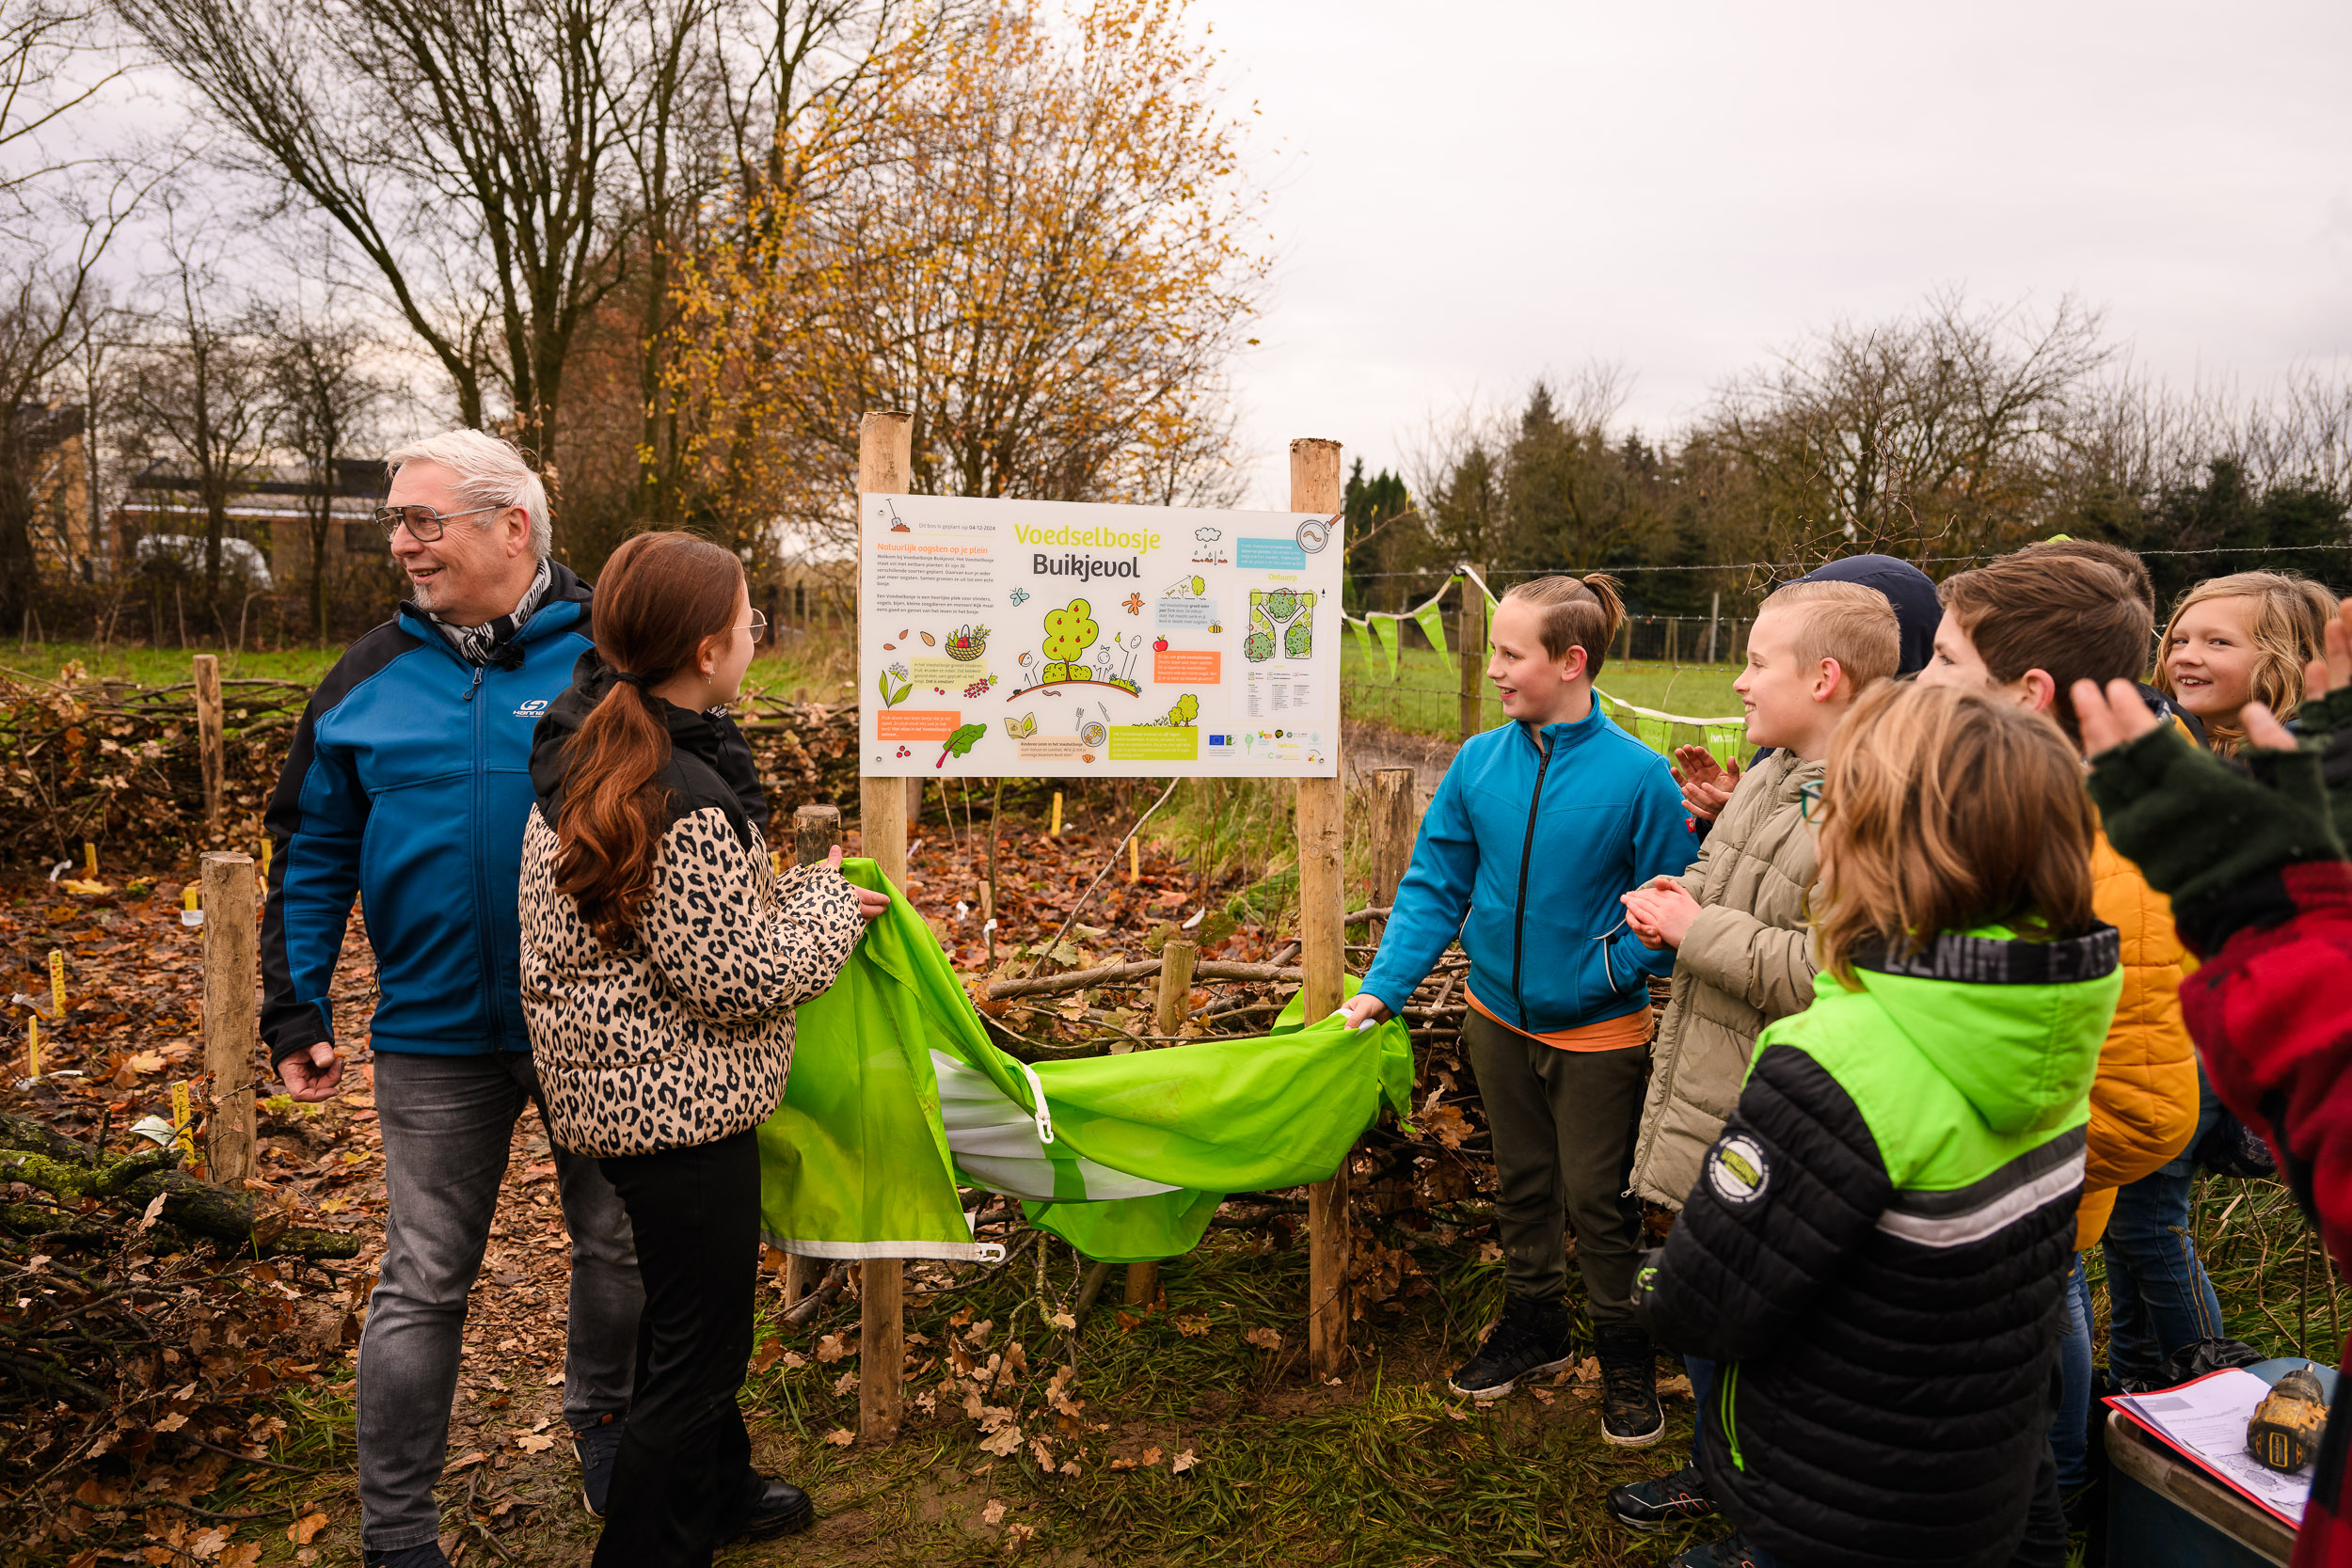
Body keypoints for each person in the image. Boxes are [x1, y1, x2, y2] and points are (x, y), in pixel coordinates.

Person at [261, 432, 758, 1568]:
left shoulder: (611, 649)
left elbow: (725, 798)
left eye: (423, 520)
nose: (400, 541)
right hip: (433, 1032)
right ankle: (397, 1535)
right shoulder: (364, 676)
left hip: (599, 1032)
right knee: (423, 1278)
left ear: (512, 525)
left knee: (620, 1247)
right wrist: (297, 1006)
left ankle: (610, 1434)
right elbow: (311, 845)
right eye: (394, 520)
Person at [1634, 681, 2120, 1568]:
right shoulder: (2048, 1010)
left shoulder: (1839, 1055)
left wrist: (1657, 1280)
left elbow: (1706, 1302)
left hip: (1840, 1486)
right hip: (1981, 1466)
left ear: (1869, 843)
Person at [518, 531, 888, 1566]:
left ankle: (719, 1491)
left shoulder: (591, 733)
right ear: (704, 647)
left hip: (622, 1090)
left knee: (687, 1319)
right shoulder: (668, 789)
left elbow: (680, 930)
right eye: (746, 619)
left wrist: (787, 896)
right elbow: (737, 977)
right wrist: (828, 906)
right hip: (675, 1109)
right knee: (698, 1349)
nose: (755, 633)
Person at [1338, 574, 1695, 1442]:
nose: (1492, 668)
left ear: (1571, 662)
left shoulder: (1642, 778)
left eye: (1510, 652)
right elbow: (1434, 886)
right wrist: (1382, 989)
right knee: (1525, 1186)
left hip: (1599, 1034)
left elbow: (1672, 904)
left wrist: (1601, 972)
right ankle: (1537, 1331)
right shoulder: (1476, 762)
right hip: (1495, 1020)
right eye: (1493, 648)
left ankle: (1624, 1357)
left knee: (1599, 1201)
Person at [1608, 578, 1899, 1535]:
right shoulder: (1776, 770)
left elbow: (1836, 972)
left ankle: (1769, 1526)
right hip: (1712, 1088)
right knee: (1710, 1301)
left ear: (1823, 677)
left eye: (1756, 662)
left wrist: (1694, 928)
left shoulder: (1876, 805)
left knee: (1772, 1332)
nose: (1736, 682)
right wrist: (1673, 897)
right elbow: (1719, 873)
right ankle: (1717, 1473)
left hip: (1785, 1116)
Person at [1915, 549, 2201, 1520]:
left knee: (2027, 1395)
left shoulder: (2115, 861)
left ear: (2027, 691)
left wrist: (1966, 1158)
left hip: (2008, 1214)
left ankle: (2053, 1503)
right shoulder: (2021, 811)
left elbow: (2149, 1111)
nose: (1923, 680)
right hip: (1983, 1216)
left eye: (1946, 659)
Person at [2072, 594, 2352, 1568]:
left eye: (2215, 639)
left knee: (2153, 1219)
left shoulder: (2241, 768)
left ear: (2275, 659)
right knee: (2144, 1219)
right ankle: (2155, 1391)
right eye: (2177, 636)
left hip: (2207, 1034)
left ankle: (2195, 1370)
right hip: (2207, 1021)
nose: (2185, 651)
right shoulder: (2185, 751)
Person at [1669, 553, 1939, 826]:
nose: (1739, 683)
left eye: (1760, 665)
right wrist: (1732, 810)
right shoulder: (1779, 757)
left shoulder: (1877, 811)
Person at [2156, 569, 2337, 757]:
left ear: (2287, 666)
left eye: (2218, 642)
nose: (2185, 656)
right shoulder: (2157, 737)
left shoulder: (2299, 755)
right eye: (2180, 641)